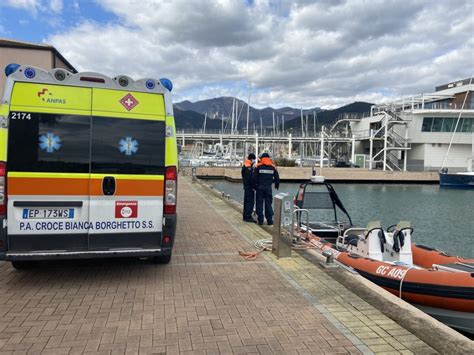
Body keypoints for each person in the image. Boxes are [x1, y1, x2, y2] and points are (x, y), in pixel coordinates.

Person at [254, 152, 280, 225]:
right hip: (268, 188)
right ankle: (269, 220)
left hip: (260, 188)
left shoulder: (258, 166)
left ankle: (260, 220)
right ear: (269, 158)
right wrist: (276, 185)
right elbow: (277, 178)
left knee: (259, 203)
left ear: (262, 158)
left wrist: (254, 186)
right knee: (268, 204)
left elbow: (254, 178)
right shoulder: (272, 167)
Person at [241, 153, 256, 222]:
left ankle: (245, 216)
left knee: (246, 201)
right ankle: (248, 217)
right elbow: (251, 178)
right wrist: (253, 187)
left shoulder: (246, 165)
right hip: (249, 188)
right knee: (250, 202)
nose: (254, 161)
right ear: (251, 159)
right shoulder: (248, 167)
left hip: (246, 187)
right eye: (254, 159)